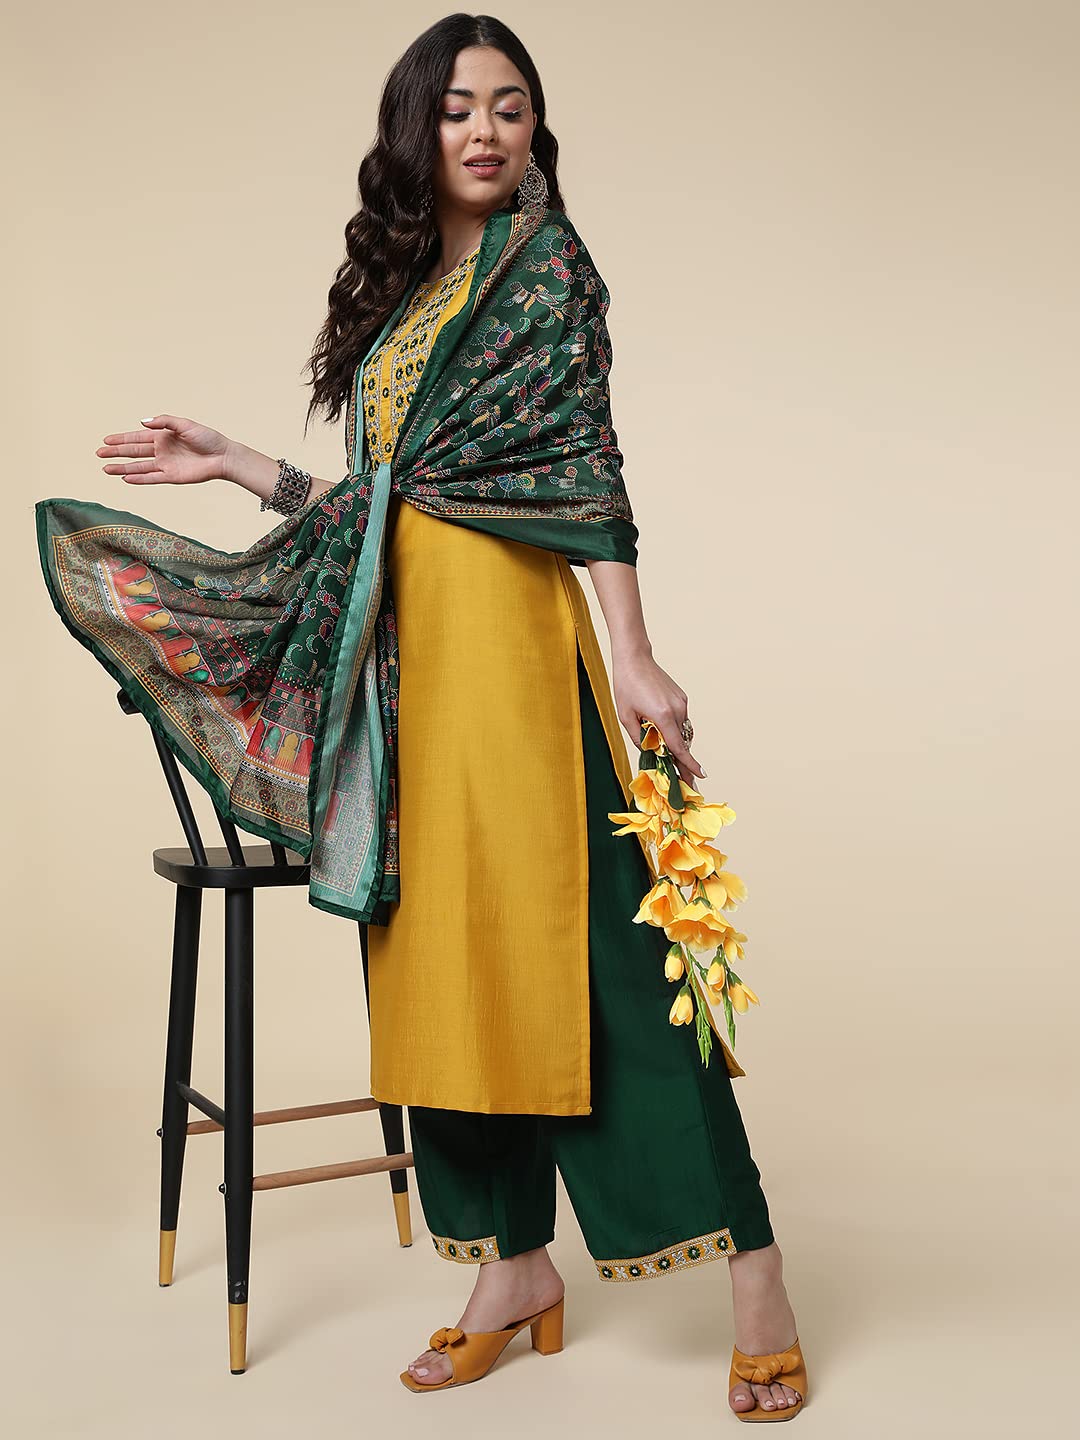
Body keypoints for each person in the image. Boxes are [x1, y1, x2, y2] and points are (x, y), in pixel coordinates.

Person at [35, 13, 807, 1422]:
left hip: (514, 659)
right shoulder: (404, 298)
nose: (487, 130)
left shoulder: (545, 268)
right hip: (399, 680)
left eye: (511, 106)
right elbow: (387, 512)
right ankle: (512, 1271)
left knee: (605, 964)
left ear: (535, 129)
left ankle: (757, 1280)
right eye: (458, 108)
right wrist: (241, 465)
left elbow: (583, 469)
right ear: (417, 128)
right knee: (440, 971)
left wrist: (635, 655)